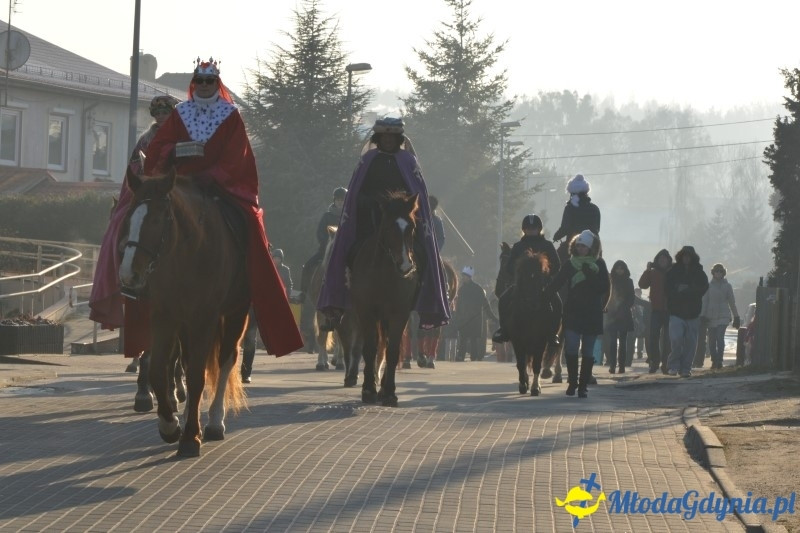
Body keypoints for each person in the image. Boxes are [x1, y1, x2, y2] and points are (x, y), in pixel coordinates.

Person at [141, 57, 302, 357]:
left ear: (217, 83)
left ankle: (251, 281)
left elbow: (238, 156)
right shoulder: (180, 113)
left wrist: (213, 174)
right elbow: (159, 147)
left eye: (209, 81)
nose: (204, 86)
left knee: (248, 224)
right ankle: (135, 280)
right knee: (141, 220)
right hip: (182, 184)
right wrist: (175, 150)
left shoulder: (231, 115)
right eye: (199, 81)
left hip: (221, 188)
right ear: (194, 83)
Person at [317, 117, 450, 330]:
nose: (388, 140)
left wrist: (401, 203)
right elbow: (357, 193)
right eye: (385, 137)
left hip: (401, 219)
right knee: (345, 252)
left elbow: (416, 191)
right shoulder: (368, 160)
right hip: (370, 221)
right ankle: (337, 305)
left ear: (399, 139)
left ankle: (425, 302)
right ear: (379, 138)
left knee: (423, 253)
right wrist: (370, 201)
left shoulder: (408, 161)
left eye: (392, 137)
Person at [90, 93, 180, 369]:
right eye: (158, 113)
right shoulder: (144, 140)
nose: (161, 117)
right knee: (118, 223)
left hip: (176, 190)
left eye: (166, 113)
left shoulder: (183, 137)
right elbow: (133, 169)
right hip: (147, 190)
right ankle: (123, 277)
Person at [545, 230, 609, 398]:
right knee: (571, 347)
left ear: (591, 248)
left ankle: (583, 386)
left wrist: (590, 275)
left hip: (592, 313)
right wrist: (544, 294)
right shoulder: (570, 264)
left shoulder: (599, 264)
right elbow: (557, 282)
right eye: (578, 246)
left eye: (584, 246)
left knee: (587, 351)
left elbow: (603, 287)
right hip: (573, 311)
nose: (581, 249)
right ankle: (572, 382)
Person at [492, 214, 561, 344]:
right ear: (524, 229)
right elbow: (509, 267)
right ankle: (503, 330)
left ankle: (553, 333)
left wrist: (545, 273)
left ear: (539, 229)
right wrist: (519, 274)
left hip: (543, 284)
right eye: (528, 228)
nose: (531, 230)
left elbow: (557, 265)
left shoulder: (547, 245)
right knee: (503, 300)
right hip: (521, 285)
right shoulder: (518, 246)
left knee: (558, 304)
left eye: (534, 228)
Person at [664, 246, 709, 377]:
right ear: (681, 256)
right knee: (676, 339)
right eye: (684, 256)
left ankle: (686, 368)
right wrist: (677, 290)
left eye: (689, 256)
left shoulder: (699, 272)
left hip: (693, 313)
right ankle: (673, 365)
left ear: (693, 257)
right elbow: (667, 288)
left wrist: (688, 290)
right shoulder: (673, 271)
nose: (686, 258)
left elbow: (703, 288)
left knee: (690, 343)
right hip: (676, 312)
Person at [298, 187, 346, 302]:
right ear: (334, 201)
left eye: (342, 200)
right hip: (326, 249)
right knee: (307, 266)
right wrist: (327, 243)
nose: (340, 202)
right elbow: (320, 232)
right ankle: (303, 293)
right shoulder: (327, 216)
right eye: (338, 200)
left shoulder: (348, 217)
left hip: (344, 250)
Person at [638, 249, 673, 374]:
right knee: (653, 337)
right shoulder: (653, 272)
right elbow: (642, 284)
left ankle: (666, 363)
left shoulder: (672, 272)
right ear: (657, 261)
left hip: (670, 310)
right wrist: (647, 270)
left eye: (664, 258)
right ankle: (654, 362)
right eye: (660, 259)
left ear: (668, 260)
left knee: (668, 339)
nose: (662, 260)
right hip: (656, 310)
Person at [701, 263, 740, 370]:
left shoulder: (728, 286)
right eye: (716, 271)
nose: (718, 273)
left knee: (720, 337)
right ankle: (714, 360)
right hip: (710, 316)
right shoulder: (708, 286)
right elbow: (705, 301)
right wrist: (702, 315)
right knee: (712, 341)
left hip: (723, 315)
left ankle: (719, 361)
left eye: (720, 271)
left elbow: (732, 302)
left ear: (723, 273)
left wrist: (736, 316)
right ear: (713, 273)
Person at [454, 267, 497, 361]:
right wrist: (457, 317)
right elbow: (458, 305)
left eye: (465, 276)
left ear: (469, 277)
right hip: (465, 319)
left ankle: (473, 357)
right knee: (463, 339)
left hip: (475, 319)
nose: (463, 278)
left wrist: (492, 317)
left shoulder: (478, 289)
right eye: (463, 276)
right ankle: (461, 356)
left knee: (474, 340)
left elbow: (485, 304)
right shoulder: (462, 289)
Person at [604, 260, 634, 374]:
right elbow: (607, 295)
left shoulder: (629, 281)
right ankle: (612, 365)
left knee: (622, 342)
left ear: (625, 270)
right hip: (612, 314)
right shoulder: (610, 281)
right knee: (612, 342)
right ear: (614, 269)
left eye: (621, 268)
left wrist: (624, 308)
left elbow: (631, 298)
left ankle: (621, 366)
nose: (619, 270)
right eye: (617, 268)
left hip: (624, 314)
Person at [552, 174, 601, 245]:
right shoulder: (595, 208)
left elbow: (565, 228)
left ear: (573, 194)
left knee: (561, 251)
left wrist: (556, 236)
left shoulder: (570, 208)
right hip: (592, 243)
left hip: (574, 242)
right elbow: (597, 229)